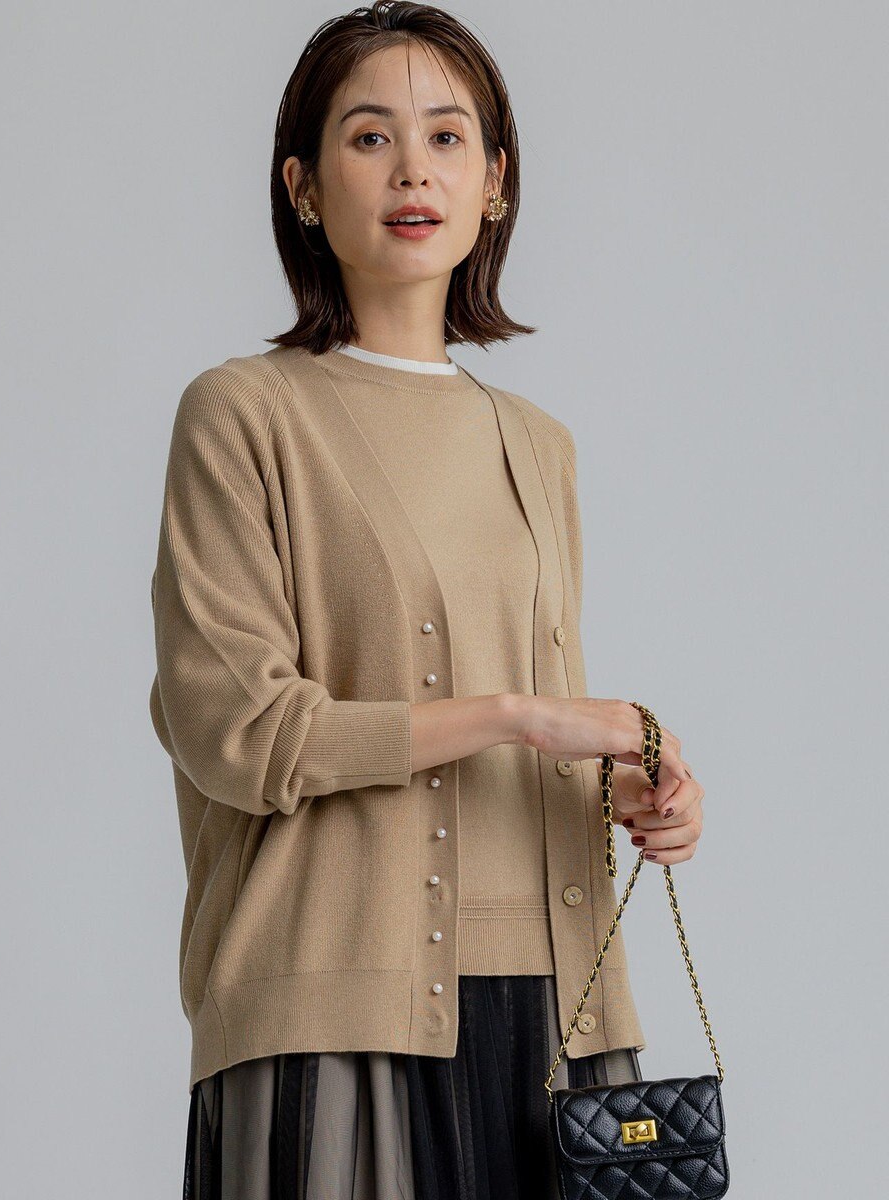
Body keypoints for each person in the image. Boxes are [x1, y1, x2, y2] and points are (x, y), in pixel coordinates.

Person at [149, 4, 706, 1197]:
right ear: (302, 187)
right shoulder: (243, 415)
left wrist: (626, 787)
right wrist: (517, 716)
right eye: (369, 137)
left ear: (494, 182)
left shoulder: (537, 444)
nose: (414, 170)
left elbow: (545, 724)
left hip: (560, 1015)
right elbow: (237, 731)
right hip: (327, 1005)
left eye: (448, 137)